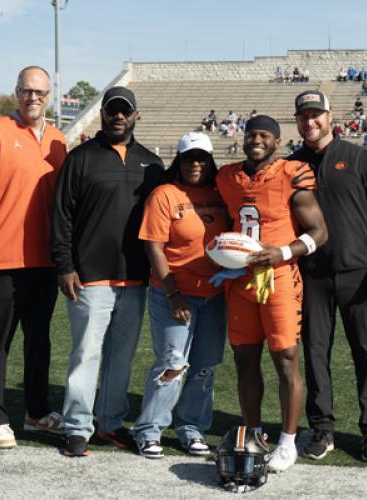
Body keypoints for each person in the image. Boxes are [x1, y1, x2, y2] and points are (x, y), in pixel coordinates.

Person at [52, 86, 165, 457]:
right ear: (102, 114)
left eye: (125, 111)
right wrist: (65, 266)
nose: (118, 117)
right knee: (86, 354)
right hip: (89, 277)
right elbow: (62, 216)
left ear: (136, 116)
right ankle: (77, 427)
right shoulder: (81, 158)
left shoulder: (152, 163)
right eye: (112, 110)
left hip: (134, 279)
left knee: (121, 356)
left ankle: (111, 423)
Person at [215, 115, 327, 472]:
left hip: (278, 279)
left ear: (278, 142)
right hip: (240, 282)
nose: (256, 140)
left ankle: (288, 441)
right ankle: (254, 431)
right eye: (251, 135)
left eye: (264, 135)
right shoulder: (227, 177)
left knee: (286, 360)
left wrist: (282, 252)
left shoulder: (292, 173)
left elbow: (319, 232)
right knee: (244, 360)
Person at [289, 90, 367, 462]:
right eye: (303, 116)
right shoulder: (292, 164)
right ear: (297, 121)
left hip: (358, 273)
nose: (310, 121)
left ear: (330, 116)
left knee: (366, 353)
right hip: (312, 276)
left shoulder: (356, 156)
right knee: (316, 354)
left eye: (316, 114)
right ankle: (323, 428)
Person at [133, 132, 228, 459]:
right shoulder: (165, 194)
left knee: (205, 366)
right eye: (189, 158)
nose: (195, 164)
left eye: (202, 158)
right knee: (173, 364)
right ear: (179, 160)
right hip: (174, 293)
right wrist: (174, 293)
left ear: (210, 160)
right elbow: (153, 246)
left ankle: (191, 427)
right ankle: (148, 429)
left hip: (215, 295)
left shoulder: (220, 192)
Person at [0, 66, 67, 450]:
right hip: (1, 259)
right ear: (16, 92)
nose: (33, 98)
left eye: (39, 92)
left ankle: (37, 411)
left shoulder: (58, 140)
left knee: (39, 339)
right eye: (26, 91)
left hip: (44, 261)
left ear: (49, 95)